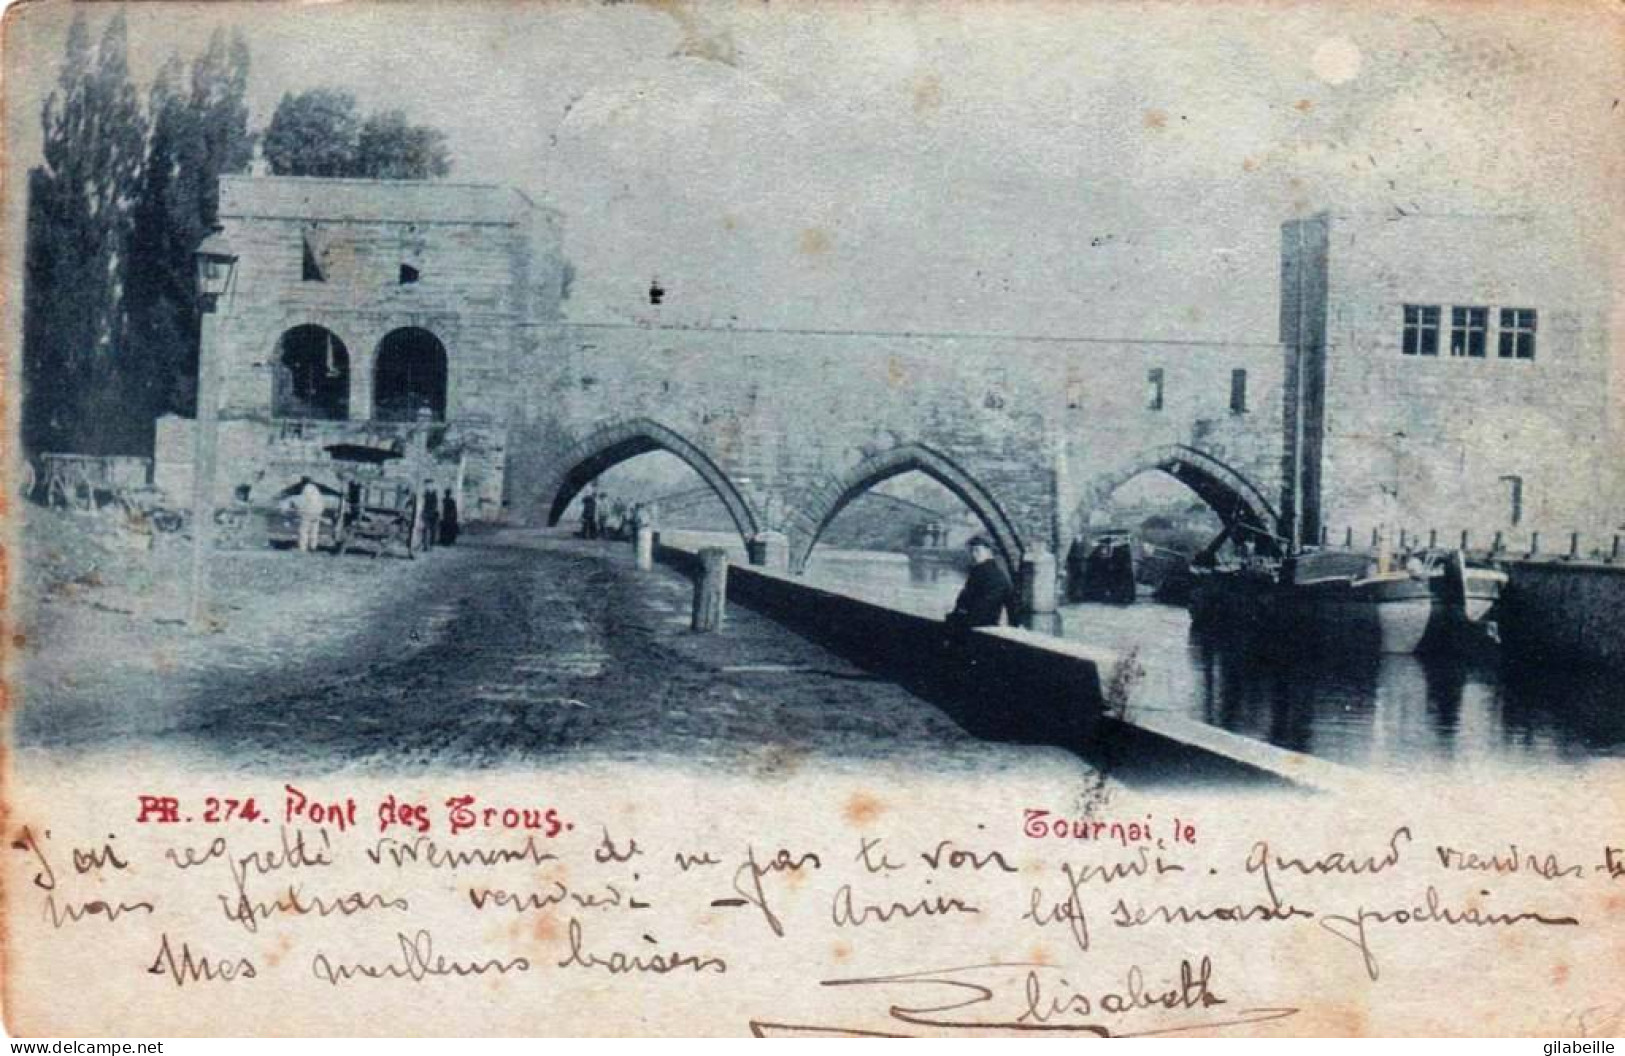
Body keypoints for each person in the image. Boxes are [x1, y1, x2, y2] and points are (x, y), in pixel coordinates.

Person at [945, 535, 1015, 635]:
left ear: (989, 552)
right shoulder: (982, 572)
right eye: (972, 551)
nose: (974, 555)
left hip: (979, 629)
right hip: (978, 627)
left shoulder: (991, 576)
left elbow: (982, 609)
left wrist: (957, 617)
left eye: (977, 550)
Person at [296, 477, 326, 553]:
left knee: (303, 531)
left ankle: (302, 548)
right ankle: (313, 547)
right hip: (317, 511)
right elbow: (321, 501)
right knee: (314, 530)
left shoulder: (305, 489)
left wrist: (299, 510)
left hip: (307, 511)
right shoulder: (316, 490)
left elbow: (303, 501)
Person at [421, 485, 440, 551]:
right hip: (427, 513)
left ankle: (430, 545)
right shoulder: (427, 495)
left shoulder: (434, 496)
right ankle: (425, 545)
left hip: (432, 514)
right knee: (426, 529)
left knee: (432, 530)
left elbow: (436, 506)